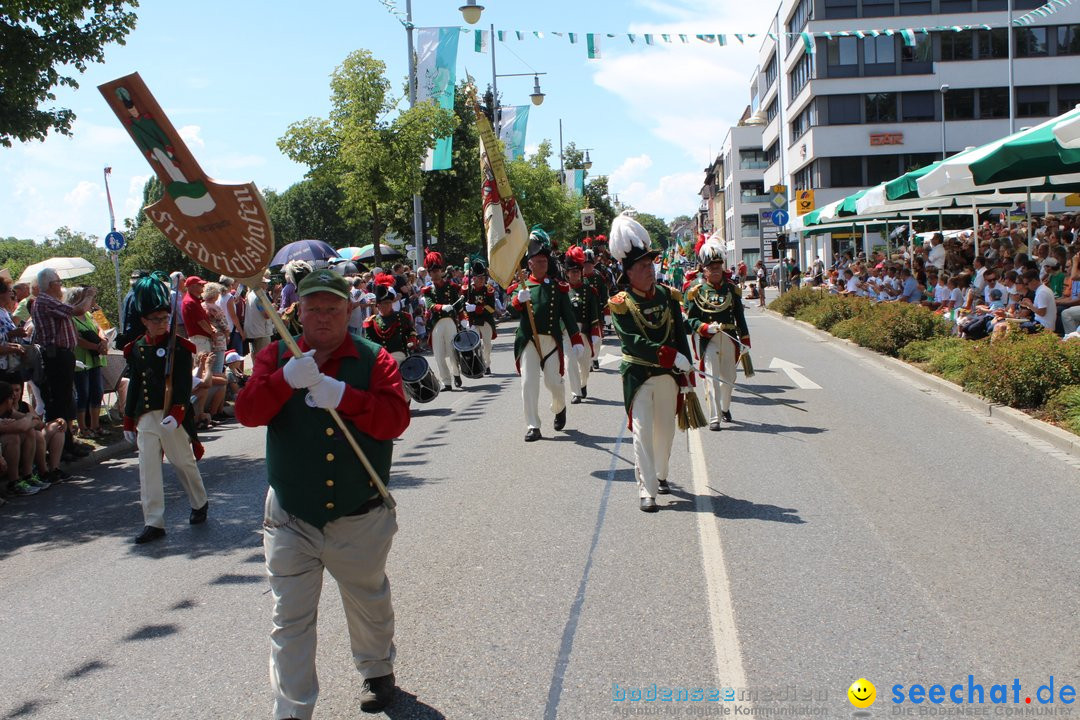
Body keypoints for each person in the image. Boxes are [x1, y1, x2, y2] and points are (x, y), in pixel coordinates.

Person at [234, 269, 410, 717]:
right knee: (289, 620)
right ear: (299, 311)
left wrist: (343, 395)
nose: (324, 317)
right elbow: (248, 413)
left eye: (334, 308)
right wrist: (283, 381)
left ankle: (376, 668)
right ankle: (292, 711)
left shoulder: (375, 360)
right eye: (314, 308)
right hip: (292, 516)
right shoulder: (276, 357)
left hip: (359, 514)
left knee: (367, 601)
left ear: (349, 310)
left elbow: (394, 421)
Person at [607, 213, 694, 513]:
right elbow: (632, 342)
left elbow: (680, 335)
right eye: (643, 266)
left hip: (669, 377)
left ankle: (660, 474)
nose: (650, 270)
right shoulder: (621, 302)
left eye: (651, 264)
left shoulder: (668, 297)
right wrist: (672, 356)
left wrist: (688, 369)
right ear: (628, 272)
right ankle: (647, 489)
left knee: (665, 432)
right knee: (642, 432)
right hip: (639, 375)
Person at [123, 276, 208, 544]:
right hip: (147, 416)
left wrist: (178, 413)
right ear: (144, 321)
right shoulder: (136, 348)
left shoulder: (180, 348)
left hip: (172, 415)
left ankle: (199, 502)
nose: (162, 323)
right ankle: (154, 522)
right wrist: (128, 419)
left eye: (164, 318)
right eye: (155, 319)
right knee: (147, 469)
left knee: (182, 462)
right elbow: (136, 383)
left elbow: (182, 384)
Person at [507, 228, 586, 442]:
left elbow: (568, 315)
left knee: (554, 382)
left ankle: (559, 408)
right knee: (528, 382)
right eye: (537, 261)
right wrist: (518, 300)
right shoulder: (521, 287)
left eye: (544, 261)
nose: (541, 265)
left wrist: (576, 339)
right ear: (529, 264)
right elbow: (510, 310)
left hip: (551, 340)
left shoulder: (558, 288)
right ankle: (533, 425)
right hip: (529, 341)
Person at [684, 237, 750, 431]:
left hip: (729, 338)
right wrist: (705, 328)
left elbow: (740, 317)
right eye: (711, 267)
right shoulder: (697, 292)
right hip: (708, 339)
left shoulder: (732, 290)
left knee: (729, 379)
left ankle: (724, 407)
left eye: (718, 266)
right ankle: (715, 417)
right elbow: (691, 321)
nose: (715, 269)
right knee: (712, 377)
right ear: (704, 270)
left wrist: (745, 341)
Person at [31, 268, 96, 459]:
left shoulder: (49, 301)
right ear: (51, 285)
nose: (61, 285)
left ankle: (67, 442)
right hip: (55, 357)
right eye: (59, 282)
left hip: (62, 355)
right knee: (59, 402)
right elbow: (78, 310)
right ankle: (59, 446)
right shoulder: (45, 300)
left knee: (66, 401)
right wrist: (89, 296)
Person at [562, 246, 603, 404]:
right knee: (570, 361)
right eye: (572, 272)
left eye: (577, 271)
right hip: (568, 332)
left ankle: (583, 383)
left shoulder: (589, 290)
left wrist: (594, 332)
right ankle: (576, 393)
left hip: (584, 331)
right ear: (567, 273)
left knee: (585, 364)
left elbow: (594, 312)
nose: (575, 274)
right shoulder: (562, 291)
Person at [420, 251, 465, 391]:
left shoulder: (451, 287)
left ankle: (456, 374)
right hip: (436, 324)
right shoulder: (428, 290)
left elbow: (458, 306)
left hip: (450, 321)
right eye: (431, 272)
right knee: (439, 354)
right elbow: (430, 305)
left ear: (441, 271)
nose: (434, 274)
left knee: (452, 351)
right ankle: (446, 382)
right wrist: (441, 307)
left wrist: (463, 319)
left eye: (436, 271)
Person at [69, 287, 109, 438]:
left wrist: (103, 340)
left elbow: (101, 328)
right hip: (81, 360)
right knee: (83, 393)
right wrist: (97, 347)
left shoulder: (88, 314)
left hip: (95, 359)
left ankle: (95, 425)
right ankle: (83, 428)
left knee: (97, 392)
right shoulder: (71, 318)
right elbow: (77, 339)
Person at [363, 273, 418, 365]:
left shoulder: (402, 316)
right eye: (385, 303)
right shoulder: (371, 322)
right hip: (381, 359)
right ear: (378, 305)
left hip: (400, 355)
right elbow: (369, 342)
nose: (388, 305)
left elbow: (411, 331)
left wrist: (412, 339)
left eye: (389, 302)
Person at [462, 260, 497, 375]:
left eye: (483, 278)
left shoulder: (489, 290)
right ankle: (479, 364)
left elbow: (491, 308)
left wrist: (476, 308)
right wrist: (465, 319)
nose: (482, 280)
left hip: (486, 320)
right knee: (476, 344)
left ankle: (487, 364)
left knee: (487, 344)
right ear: (474, 278)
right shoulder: (466, 290)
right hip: (472, 321)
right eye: (479, 278)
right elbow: (462, 307)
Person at [181, 276, 214, 355]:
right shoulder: (190, 302)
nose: (203, 286)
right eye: (200, 285)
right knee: (203, 365)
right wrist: (213, 334)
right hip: (200, 339)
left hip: (201, 339)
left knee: (203, 364)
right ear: (192, 286)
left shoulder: (194, 300)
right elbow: (201, 322)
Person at [244, 273, 275, 355]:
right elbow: (266, 315)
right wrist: (273, 309)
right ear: (260, 284)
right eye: (265, 283)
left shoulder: (251, 294)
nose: (267, 284)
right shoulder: (259, 297)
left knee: (255, 354)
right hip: (261, 331)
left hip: (255, 330)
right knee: (263, 355)